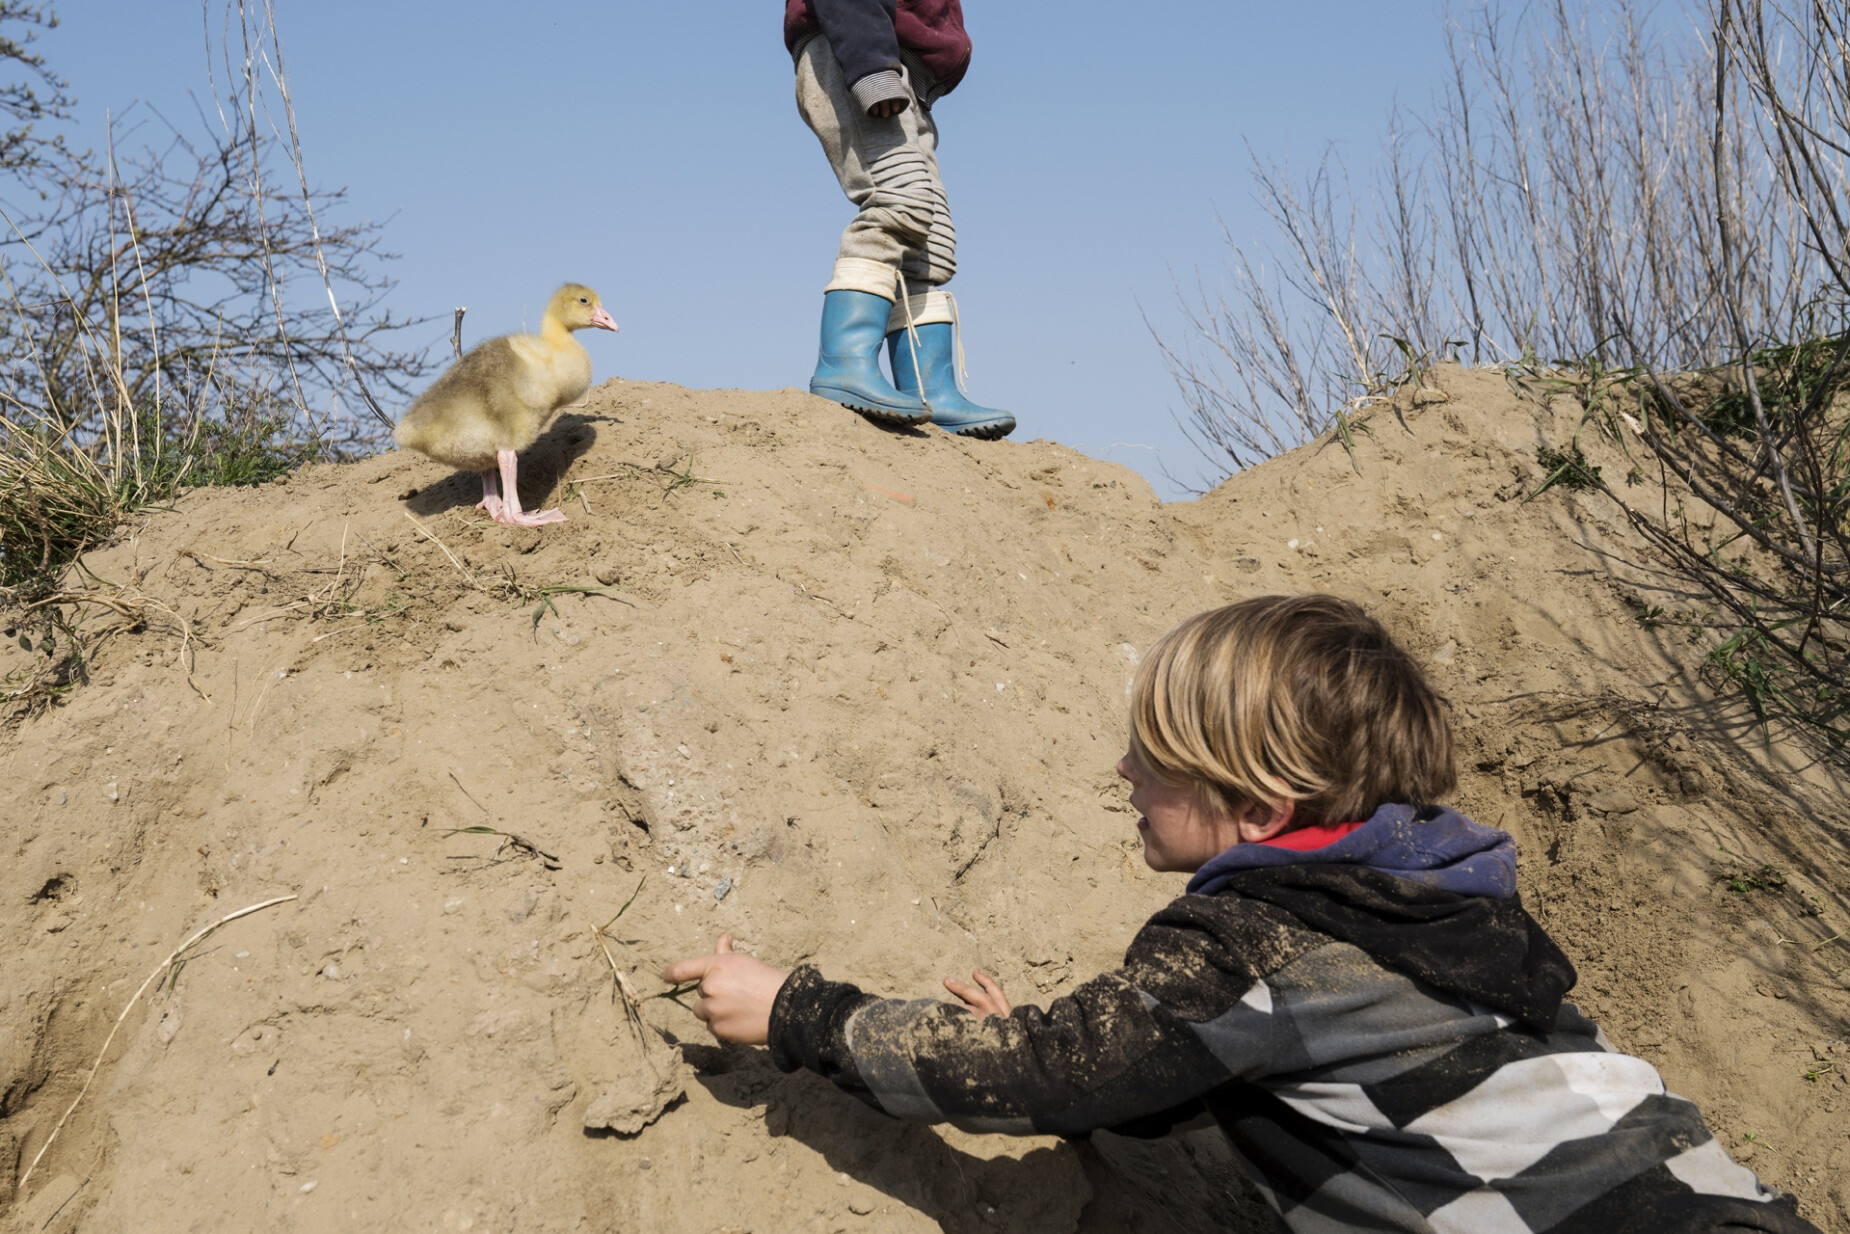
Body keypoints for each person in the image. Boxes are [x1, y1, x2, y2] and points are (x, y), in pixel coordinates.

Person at [664, 594, 1822, 1234]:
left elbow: (1042, 1071)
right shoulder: (1432, 901)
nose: (1121, 771)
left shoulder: (1251, 946)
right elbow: (1284, 1077)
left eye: (1153, 756)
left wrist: (796, 1011)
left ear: (1260, 802)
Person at [785, 0, 1015, 439]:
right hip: (853, 53)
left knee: (931, 237)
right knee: (900, 200)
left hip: (892, 67)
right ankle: (844, 363)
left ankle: (931, 388)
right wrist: (871, 70)